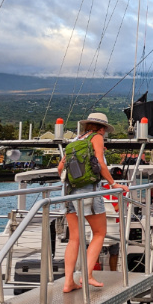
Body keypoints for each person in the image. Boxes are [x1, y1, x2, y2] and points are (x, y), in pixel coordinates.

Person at [58, 112, 124, 293]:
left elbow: (60, 168)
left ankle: (68, 282)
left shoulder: (74, 142)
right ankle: (86, 276)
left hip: (70, 192)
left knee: (74, 238)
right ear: (101, 129)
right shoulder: (96, 138)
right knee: (99, 233)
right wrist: (113, 183)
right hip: (89, 191)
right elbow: (101, 164)